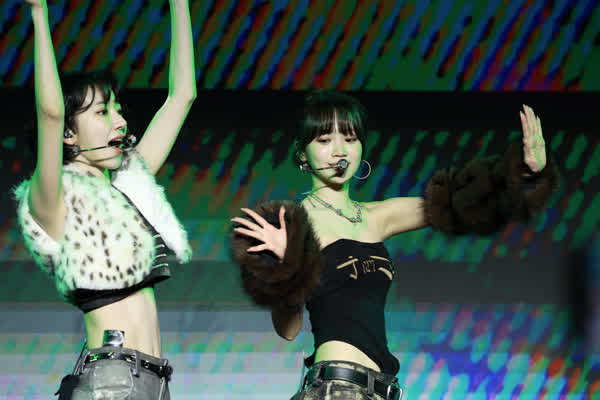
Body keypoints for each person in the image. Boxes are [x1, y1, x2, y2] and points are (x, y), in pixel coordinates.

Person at [230, 91, 558, 400]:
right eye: (325, 140)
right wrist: (288, 268)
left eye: (350, 139)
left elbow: (461, 202)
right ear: (303, 153)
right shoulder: (295, 224)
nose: (340, 151)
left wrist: (525, 173)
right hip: (336, 388)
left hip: (382, 389)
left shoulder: (377, 216)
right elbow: (288, 330)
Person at [14, 0, 195, 398]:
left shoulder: (124, 186)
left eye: (118, 109)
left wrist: (179, 4)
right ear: (69, 135)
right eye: (102, 112)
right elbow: (50, 113)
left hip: (154, 380)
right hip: (113, 380)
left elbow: (182, 95)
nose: (121, 121)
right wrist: (39, 14)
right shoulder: (52, 197)